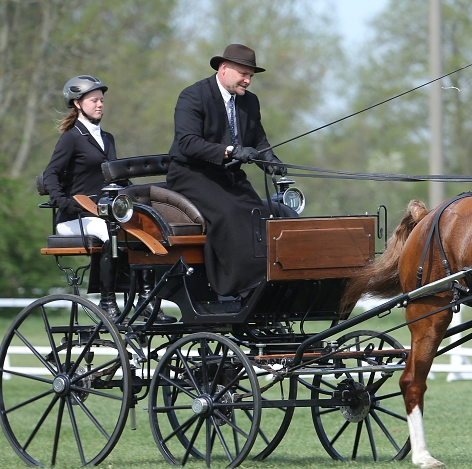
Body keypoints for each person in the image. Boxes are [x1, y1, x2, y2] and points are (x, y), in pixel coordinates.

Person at [43, 75, 175, 323]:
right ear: (77, 104)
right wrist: (63, 201)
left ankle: (146, 302)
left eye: (101, 100)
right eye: (93, 100)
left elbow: (115, 178)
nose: (100, 104)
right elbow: (51, 174)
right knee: (111, 232)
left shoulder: (108, 138)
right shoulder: (71, 138)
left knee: (145, 228)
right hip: (76, 216)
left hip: (107, 213)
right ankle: (107, 302)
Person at [166, 44, 289, 299]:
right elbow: (187, 142)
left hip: (227, 176)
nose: (248, 80)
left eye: (251, 76)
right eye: (244, 74)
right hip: (191, 174)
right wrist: (231, 151)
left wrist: (271, 160)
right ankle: (233, 288)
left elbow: (259, 140)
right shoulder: (193, 96)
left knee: (263, 214)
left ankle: (266, 283)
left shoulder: (249, 101)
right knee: (230, 214)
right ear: (224, 68)